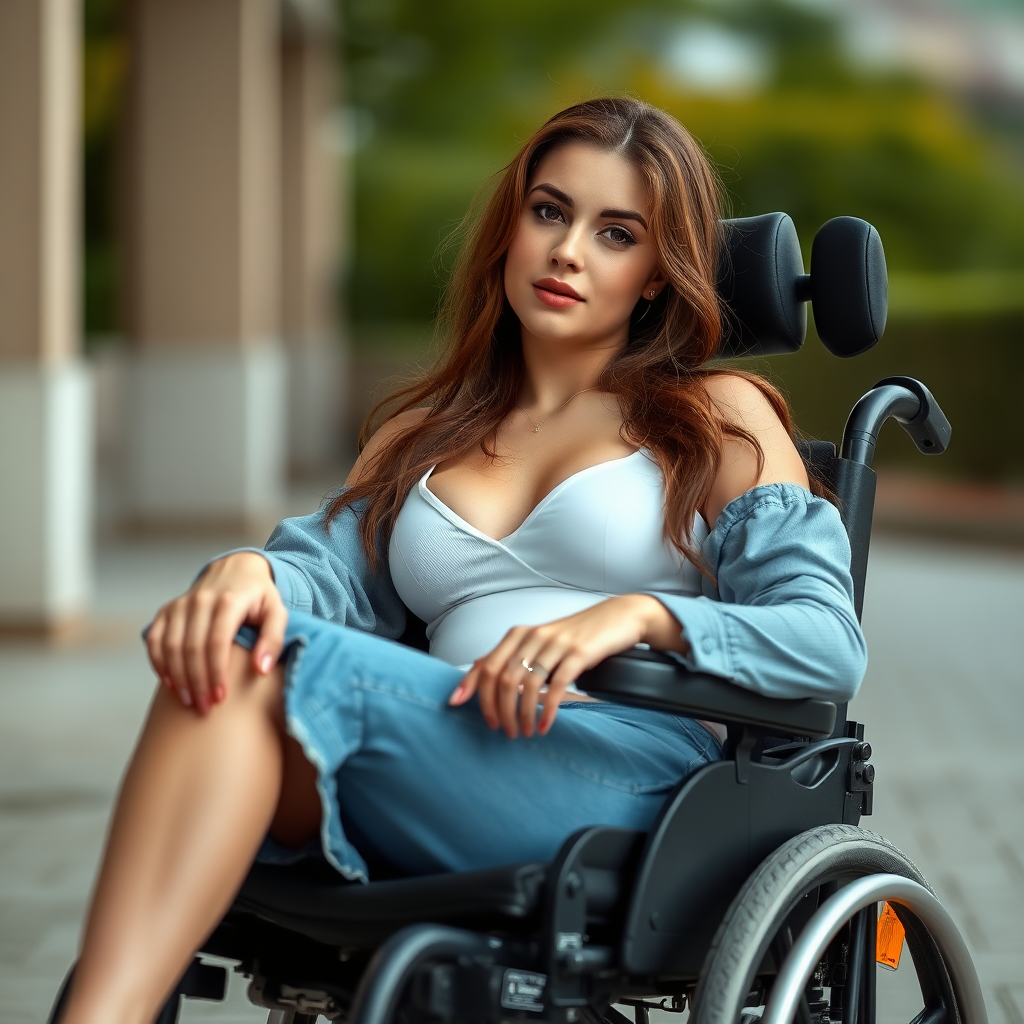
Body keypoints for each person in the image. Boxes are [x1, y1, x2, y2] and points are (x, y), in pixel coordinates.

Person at [59, 98, 865, 1024]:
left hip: (630, 778)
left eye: (616, 233)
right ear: (510, 227)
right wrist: (252, 573)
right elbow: (323, 575)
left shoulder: (713, 416)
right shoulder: (423, 431)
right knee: (238, 644)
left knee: (283, 665)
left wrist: (643, 616)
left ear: (655, 274)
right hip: (439, 741)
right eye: (550, 212)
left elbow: (824, 640)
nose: (568, 252)